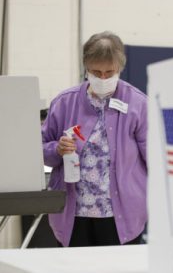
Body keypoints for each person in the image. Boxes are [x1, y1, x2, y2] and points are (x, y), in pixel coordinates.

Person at [41, 31, 147, 247]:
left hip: (123, 216)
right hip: (74, 214)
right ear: (86, 68)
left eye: (110, 72)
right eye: (97, 72)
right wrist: (57, 149)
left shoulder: (138, 104)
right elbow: (39, 151)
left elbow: (156, 158)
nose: (104, 78)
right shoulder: (64, 103)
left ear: (120, 68)